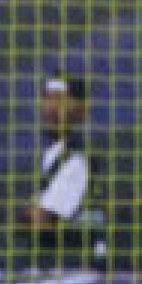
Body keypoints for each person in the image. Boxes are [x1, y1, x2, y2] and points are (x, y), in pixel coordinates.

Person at [19, 74, 95, 259]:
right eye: (47, 98)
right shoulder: (46, 155)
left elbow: (40, 220)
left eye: (60, 100)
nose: (51, 107)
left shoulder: (78, 159)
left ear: (82, 110)